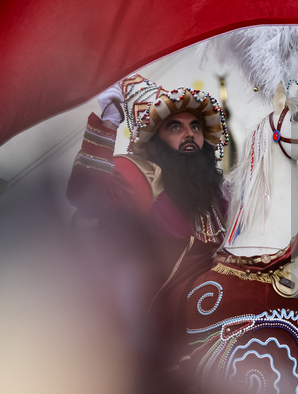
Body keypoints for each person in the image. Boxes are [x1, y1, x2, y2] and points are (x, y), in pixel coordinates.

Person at [66, 74, 230, 390]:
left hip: (212, 338)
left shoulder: (215, 195)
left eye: (195, 126)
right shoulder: (135, 173)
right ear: (154, 144)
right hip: (144, 344)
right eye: (175, 127)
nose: (189, 135)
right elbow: (85, 195)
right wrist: (108, 124)